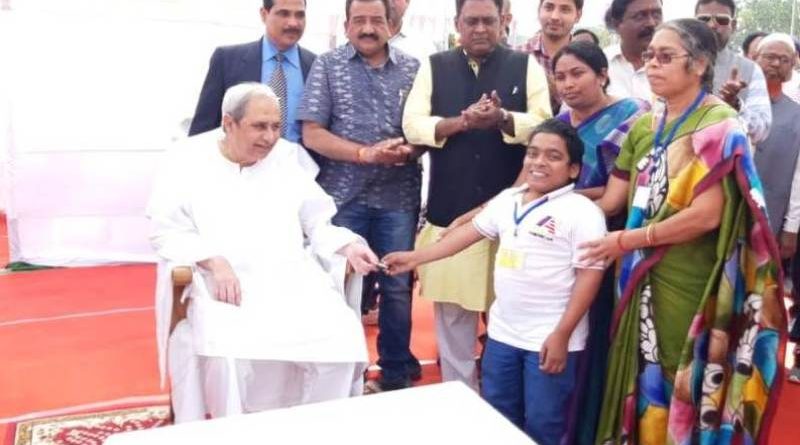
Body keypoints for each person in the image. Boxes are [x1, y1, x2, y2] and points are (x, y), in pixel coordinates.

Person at [581, 19, 784, 444]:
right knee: (638, 370)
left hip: (687, 276)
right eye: (650, 55)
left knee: (676, 373)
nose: (652, 64)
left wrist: (628, 240)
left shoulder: (719, 125)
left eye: (665, 56)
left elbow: (706, 216)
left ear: (700, 64)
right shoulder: (644, 125)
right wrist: (543, 208)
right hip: (636, 273)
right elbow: (613, 200)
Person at [148, 83, 378, 421]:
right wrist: (213, 260)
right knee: (228, 350)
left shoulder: (286, 158)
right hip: (223, 285)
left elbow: (318, 223)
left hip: (290, 278)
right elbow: (166, 230)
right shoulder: (186, 161)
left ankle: (315, 427)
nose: (270, 137)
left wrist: (348, 245)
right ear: (228, 123)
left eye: (275, 126)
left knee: (343, 339)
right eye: (259, 126)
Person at [384, 119, 607, 445]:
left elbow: (590, 277)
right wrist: (415, 258)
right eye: (533, 153)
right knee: (499, 417)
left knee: (545, 424)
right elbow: (466, 235)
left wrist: (562, 335)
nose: (539, 162)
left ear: (573, 169)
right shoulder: (509, 199)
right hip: (503, 335)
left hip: (550, 339)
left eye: (553, 156)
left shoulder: (582, 213)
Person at [402, 0, 551, 391]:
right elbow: (413, 125)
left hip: (514, 218)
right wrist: (462, 122)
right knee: (453, 323)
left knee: (509, 318)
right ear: (458, 23)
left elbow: (545, 123)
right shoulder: (434, 66)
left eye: (489, 20)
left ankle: (505, 405)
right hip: (450, 213)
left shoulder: (525, 66)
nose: (480, 28)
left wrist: (503, 118)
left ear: (504, 22)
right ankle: (460, 402)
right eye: (472, 21)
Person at [298, 0, 422, 392]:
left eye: (376, 20)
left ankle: (396, 374)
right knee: (337, 283)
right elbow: (312, 133)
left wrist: (408, 149)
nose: (368, 28)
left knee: (397, 287)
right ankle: (341, 374)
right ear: (347, 24)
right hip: (342, 198)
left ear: (392, 24)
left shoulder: (414, 69)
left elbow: (424, 131)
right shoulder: (327, 66)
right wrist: (365, 154)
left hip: (397, 198)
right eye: (360, 20)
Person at [550, 40, 649, 445]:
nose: (568, 84)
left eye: (578, 74)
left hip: (610, 244)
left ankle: (592, 428)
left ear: (603, 75)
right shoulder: (561, 122)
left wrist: (559, 198)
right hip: (559, 241)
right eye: (560, 77)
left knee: (596, 335)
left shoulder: (633, 115)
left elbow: (618, 193)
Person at [188, 0, 315, 143]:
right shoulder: (227, 60)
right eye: (284, 14)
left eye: (300, 15)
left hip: (298, 156)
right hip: (239, 156)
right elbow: (204, 128)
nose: (293, 23)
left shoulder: (316, 66)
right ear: (264, 14)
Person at [750, 33, 800, 384]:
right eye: (770, 56)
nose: (776, 64)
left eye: (785, 59)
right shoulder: (734, 105)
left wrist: (791, 227)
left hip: (773, 216)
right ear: (755, 59)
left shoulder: (798, 114)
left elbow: (799, 177)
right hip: (725, 217)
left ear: (793, 66)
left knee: (762, 294)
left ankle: (756, 366)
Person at [696, 0, 771, 143]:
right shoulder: (674, 62)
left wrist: (735, 105)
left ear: (734, 25)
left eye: (722, 20)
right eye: (704, 19)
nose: (712, 25)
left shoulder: (750, 70)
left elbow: (761, 131)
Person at [516, 0, 583, 112]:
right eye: (549, 8)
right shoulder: (518, 58)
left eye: (565, 10)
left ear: (578, 15)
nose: (554, 17)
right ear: (539, 10)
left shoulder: (587, 62)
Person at [603, 0, 663, 101]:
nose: (651, 23)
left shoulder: (676, 64)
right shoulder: (599, 64)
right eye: (640, 16)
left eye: (656, 15)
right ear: (617, 24)